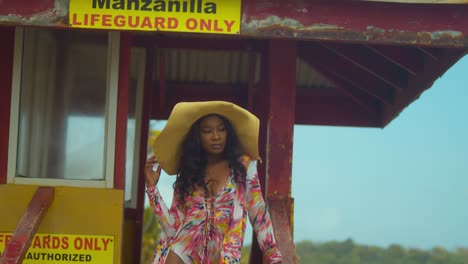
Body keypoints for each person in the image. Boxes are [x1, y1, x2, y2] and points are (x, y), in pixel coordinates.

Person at [144, 101, 283, 264]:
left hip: (224, 257)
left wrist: (273, 255)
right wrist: (152, 188)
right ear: (197, 136)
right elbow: (173, 228)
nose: (216, 136)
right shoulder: (188, 173)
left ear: (228, 133)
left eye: (221, 129)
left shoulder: (243, 167)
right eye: (207, 131)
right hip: (182, 253)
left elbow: (258, 213)